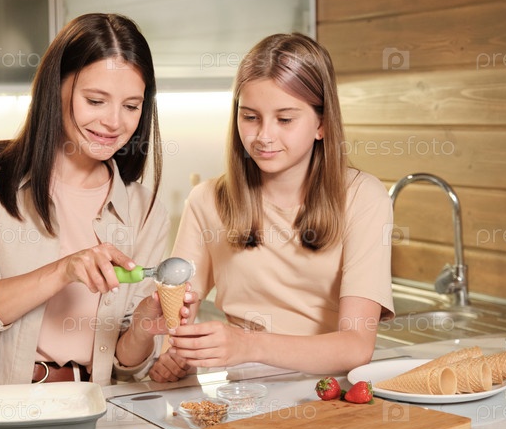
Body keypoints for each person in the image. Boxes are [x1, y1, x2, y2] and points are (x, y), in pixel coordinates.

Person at [0, 13, 186, 409]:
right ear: (55, 88)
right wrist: (62, 271)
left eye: (131, 106)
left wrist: (146, 326)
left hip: (89, 412)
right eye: (95, 101)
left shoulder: (144, 210)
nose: (114, 122)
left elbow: (129, 367)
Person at [148, 32, 395, 383]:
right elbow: (172, 319)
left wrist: (248, 345)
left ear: (322, 123)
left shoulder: (363, 198)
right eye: (251, 117)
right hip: (242, 396)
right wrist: (177, 353)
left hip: (328, 395)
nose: (264, 136)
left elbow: (356, 346)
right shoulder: (206, 201)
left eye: (285, 119)